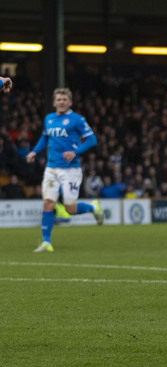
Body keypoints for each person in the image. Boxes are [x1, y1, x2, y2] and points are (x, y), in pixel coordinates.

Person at [26, 88, 104, 253]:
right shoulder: (49, 118)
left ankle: (93, 208)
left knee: (70, 209)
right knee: (48, 203)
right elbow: (45, 137)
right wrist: (34, 151)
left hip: (71, 170)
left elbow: (92, 140)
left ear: (69, 103)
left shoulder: (77, 120)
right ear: (54, 103)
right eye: (58, 99)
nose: (61, 102)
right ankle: (46, 242)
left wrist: (75, 152)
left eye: (64, 99)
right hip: (51, 168)